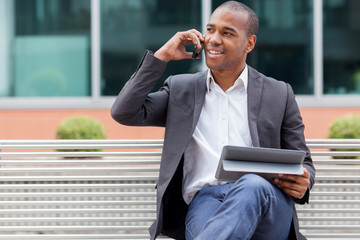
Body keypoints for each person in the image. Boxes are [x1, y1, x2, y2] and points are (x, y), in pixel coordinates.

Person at [111, 1, 315, 239]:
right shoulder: (181, 90)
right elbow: (124, 111)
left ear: (249, 43)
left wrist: (304, 180)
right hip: (206, 201)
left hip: (266, 201)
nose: (214, 39)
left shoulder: (278, 93)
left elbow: (304, 161)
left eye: (227, 33)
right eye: (210, 30)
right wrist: (162, 56)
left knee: (251, 184)